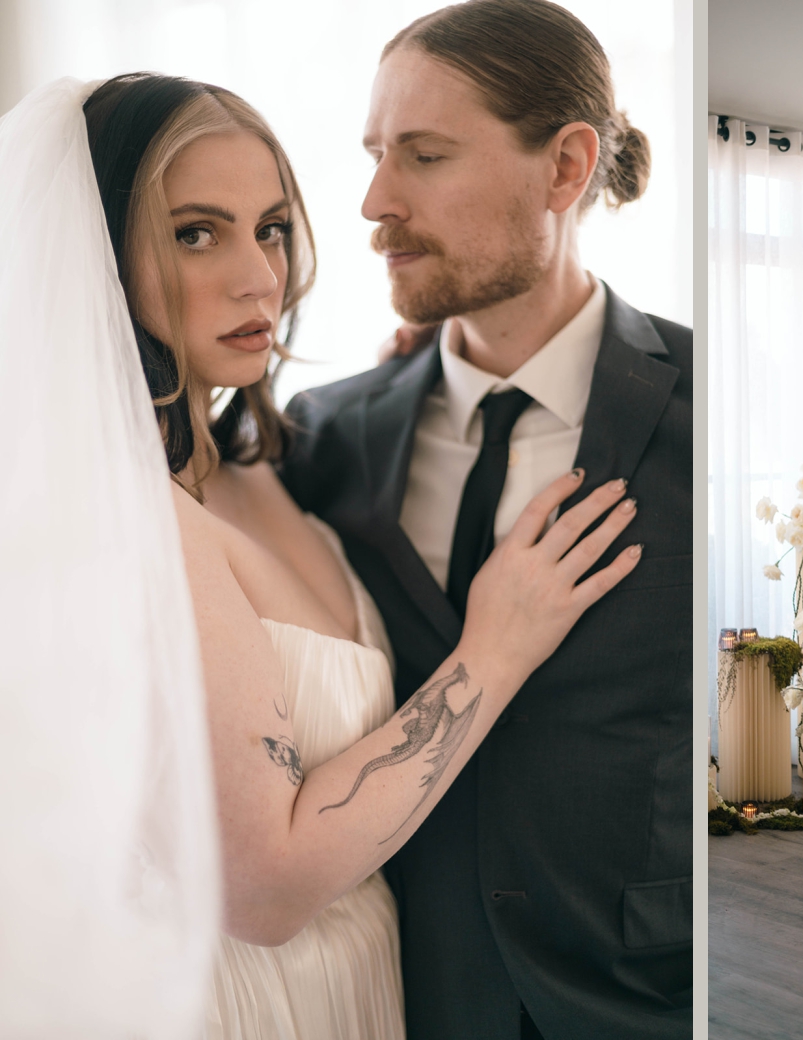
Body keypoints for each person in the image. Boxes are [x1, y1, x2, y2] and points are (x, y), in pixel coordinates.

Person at [75, 65, 643, 1040]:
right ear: (92, 255)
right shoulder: (128, 519)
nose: (260, 274)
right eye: (194, 231)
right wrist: (493, 650)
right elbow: (264, 890)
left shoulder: (272, 468)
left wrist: (404, 398)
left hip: (371, 986)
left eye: (272, 226)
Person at [278, 2, 692, 1038]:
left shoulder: (712, 410)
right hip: (403, 997)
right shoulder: (322, 439)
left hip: (650, 995)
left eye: (423, 156)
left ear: (564, 168)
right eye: (377, 155)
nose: (374, 203)